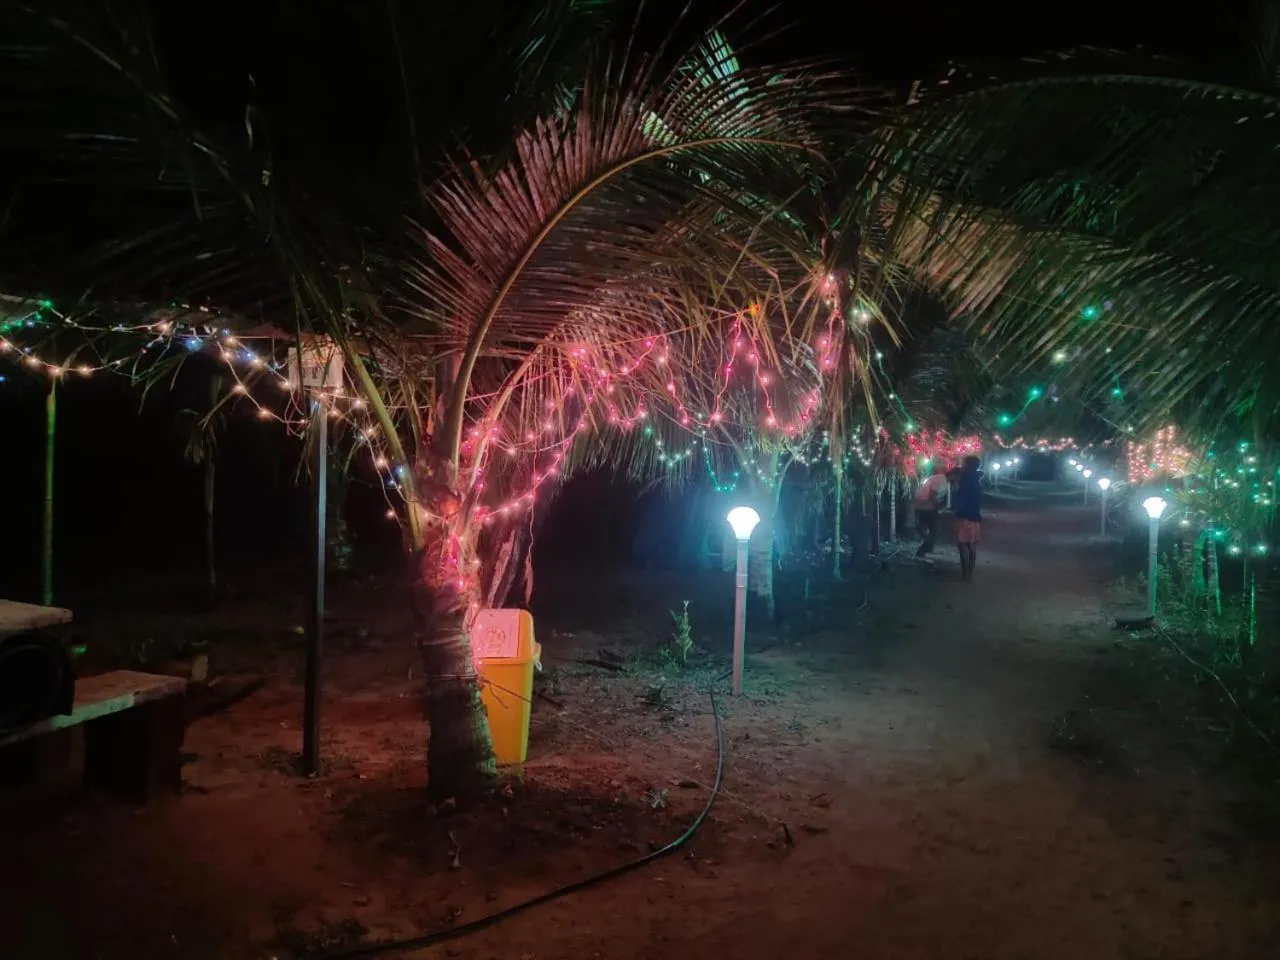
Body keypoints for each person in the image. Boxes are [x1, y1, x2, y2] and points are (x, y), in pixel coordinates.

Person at [953, 455, 983, 582]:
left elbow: (962, 497)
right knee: (971, 545)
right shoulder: (976, 478)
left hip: (966, 515)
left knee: (962, 544)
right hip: (975, 515)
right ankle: (969, 573)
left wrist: (957, 509)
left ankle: (966, 573)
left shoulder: (967, 479)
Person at [912, 464, 950, 559]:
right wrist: (937, 507)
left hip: (923, 504)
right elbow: (933, 495)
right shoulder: (941, 479)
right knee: (932, 530)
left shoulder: (939, 478)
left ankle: (926, 548)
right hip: (926, 505)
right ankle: (922, 551)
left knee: (929, 529)